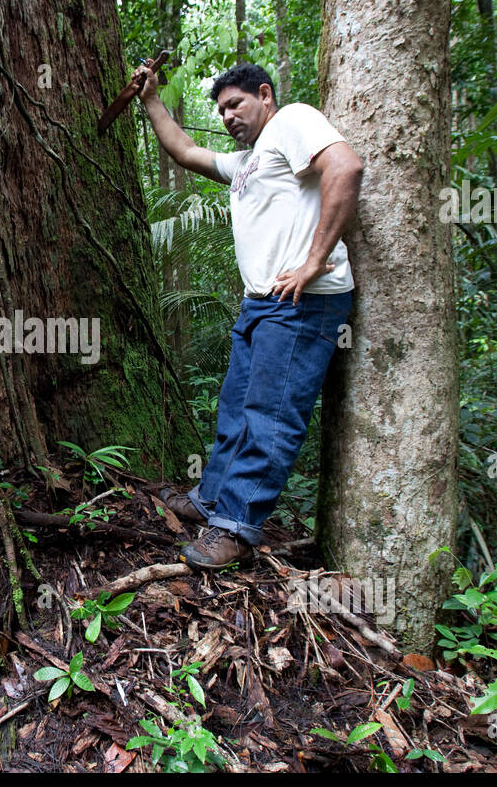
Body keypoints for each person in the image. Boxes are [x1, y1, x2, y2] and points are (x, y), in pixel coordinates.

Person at [133, 61, 364, 570]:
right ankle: (210, 498)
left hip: (304, 301)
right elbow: (186, 150)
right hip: (261, 302)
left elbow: (345, 166)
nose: (227, 116)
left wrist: (313, 260)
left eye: (235, 104)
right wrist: (151, 99)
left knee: (271, 417)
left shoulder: (292, 121)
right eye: (220, 110)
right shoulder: (247, 162)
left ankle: (236, 527)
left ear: (265, 95)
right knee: (236, 409)